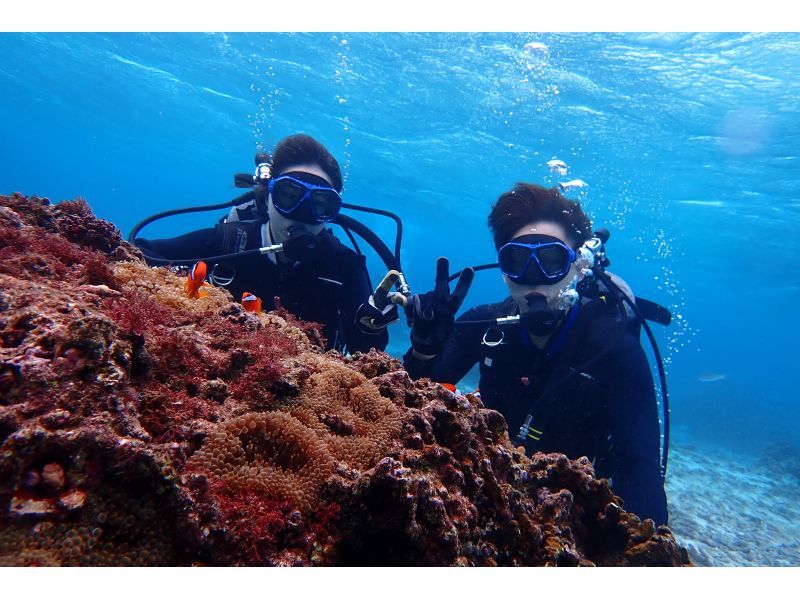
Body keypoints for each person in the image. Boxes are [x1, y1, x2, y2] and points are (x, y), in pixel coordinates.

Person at [403, 183, 668, 525]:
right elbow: (411, 409)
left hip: (575, 521)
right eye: (517, 261)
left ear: (579, 267)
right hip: (489, 499)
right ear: (503, 269)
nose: (534, 279)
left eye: (551, 261)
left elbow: (640, 470)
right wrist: (424, 350)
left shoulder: (614, 350)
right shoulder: (483, 325)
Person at [135, 134, 397, 354]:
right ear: (269, 195)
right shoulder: (229, 241)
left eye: (319, 204)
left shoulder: (344, 266)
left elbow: (367, 352)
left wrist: (371, 327)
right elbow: (140, 253)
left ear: (331, 212)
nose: (301, 214)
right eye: (289, 196)